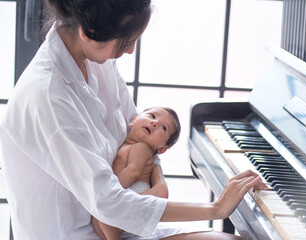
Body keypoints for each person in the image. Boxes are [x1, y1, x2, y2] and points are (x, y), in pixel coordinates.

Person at [0, 0, 268, 239]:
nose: (130, 51)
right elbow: (108, 202)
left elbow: (138, 128)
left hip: (123, 222)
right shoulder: (47, 95)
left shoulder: (95, 60)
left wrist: (156, 177)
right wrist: (216, 208)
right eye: (126, 42)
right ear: (88, 33)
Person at [92, 106, 181, 240]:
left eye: (164, 128)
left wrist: (110, 191)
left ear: (162, 149)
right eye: (152, 116)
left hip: (135, 192)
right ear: (134, 120)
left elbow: (133, 171)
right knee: (101, 217)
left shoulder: (142, 147)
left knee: (104, 212)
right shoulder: (126, 144)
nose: (155, 122)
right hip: (129, 194)